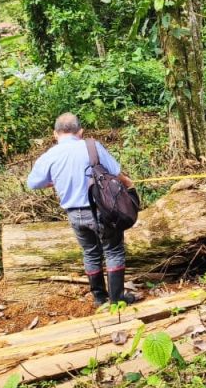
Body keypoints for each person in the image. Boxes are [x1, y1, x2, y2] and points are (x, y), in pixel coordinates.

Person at [27, 113, 137, 306]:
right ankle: (117, 298)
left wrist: (52, 182)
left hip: (74, 215)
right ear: (80, 131)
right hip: (101, 210)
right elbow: (116, 172)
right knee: (113, 250)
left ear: (55, 134)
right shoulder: (92, 147)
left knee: (90, 252)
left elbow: (34, 183)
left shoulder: (49, 156)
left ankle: (99, 298)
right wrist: (130, 185)